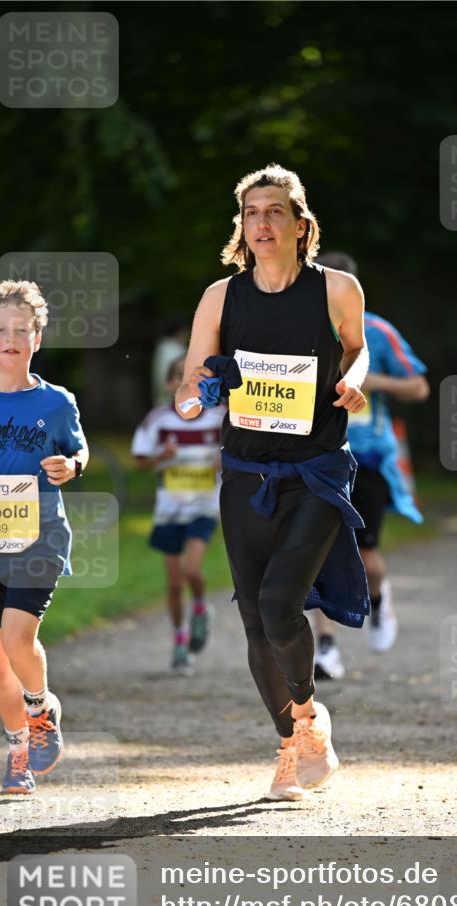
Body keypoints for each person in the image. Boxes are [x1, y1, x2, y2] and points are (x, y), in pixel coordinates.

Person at [175, 164, 370, 801]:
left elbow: (356, 348)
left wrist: (356, 379)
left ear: (299, 225)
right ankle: (292, 745)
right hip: (246, 474)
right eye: (252, 213)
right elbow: (191, 377)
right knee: (257, 622)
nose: (262, 222)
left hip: (315, 471)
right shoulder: (220, 297)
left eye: (274, 211)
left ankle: (309, 710)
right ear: (243, 226)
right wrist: (193, 396)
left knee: (281, 604)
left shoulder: (337, 289)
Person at [0, 280, 89, 793]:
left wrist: (71, 466)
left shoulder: (57, 403)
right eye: (1, 329)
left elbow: (78, 454)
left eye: (22, 329)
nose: (11, 338)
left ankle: (41, 708)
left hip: (37, 539)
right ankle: (18, 750)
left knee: (20, 638)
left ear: (37, 339)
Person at [308, 251, 429, 678]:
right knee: (313, 555)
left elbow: (418, 386)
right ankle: (325, 647)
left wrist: (370, 379)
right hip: (313, 459)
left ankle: (378, 599)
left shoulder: (376, 332)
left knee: (367, 557)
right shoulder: (297, 328)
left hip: (368, 457)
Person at [132, 356, 223, 673]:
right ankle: (180, 644)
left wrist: (223, 460)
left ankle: (200, 609)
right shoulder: (157, 420)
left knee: (191, 568)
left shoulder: (218, 417)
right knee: (173, 585)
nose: (189, 382)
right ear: (170, 384)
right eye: (180, 376)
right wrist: (162, 456)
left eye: (196, 376)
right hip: (169, 511)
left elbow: (241, 451)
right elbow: (140, 462)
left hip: (203, 507)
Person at [151, 315, 190, 407]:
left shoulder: (162, 349)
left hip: (165, 403)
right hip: (172, 404)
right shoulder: (174, 351)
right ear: (181, 331)